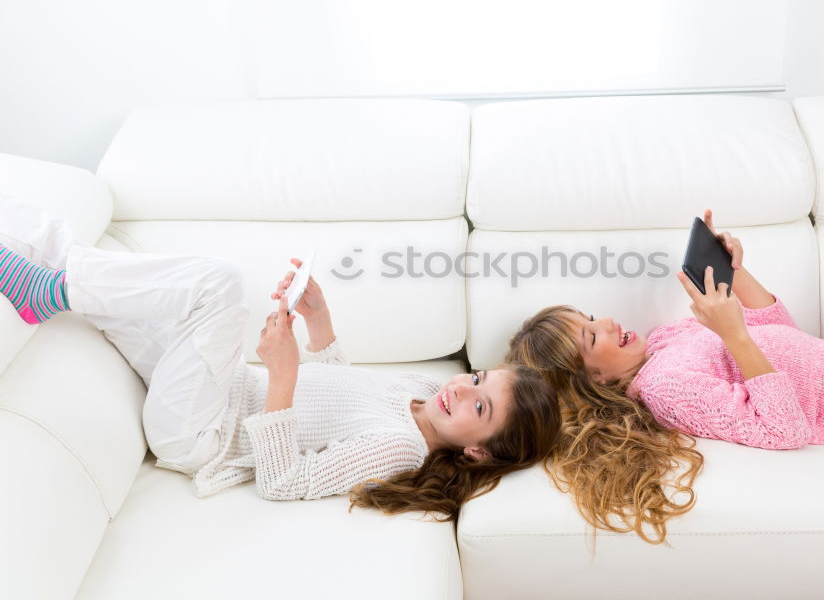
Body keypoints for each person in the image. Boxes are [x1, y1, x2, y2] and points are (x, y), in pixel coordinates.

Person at [0, 198, 560, 519]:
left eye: (480, 406)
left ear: (477, 450)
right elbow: (340, 396)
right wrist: (319, 319)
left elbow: (285, 481)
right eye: (477, 378)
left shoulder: (401, 448)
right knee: (61, 241)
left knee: (219, 284)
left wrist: (283, 374)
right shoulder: (420, 393)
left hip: (200, 430)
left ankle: (45, 295)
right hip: (205, 388)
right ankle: (44, 277)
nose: (461, 388)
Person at [507, 208, 824, 542]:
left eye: (592, 319)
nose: (608, 324)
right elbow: (782, 428)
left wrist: (735, 274)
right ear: (596, 382)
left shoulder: (661, 343)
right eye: (593, 339)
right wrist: (733, 334)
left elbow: (782, 335)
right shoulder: (663, 388)